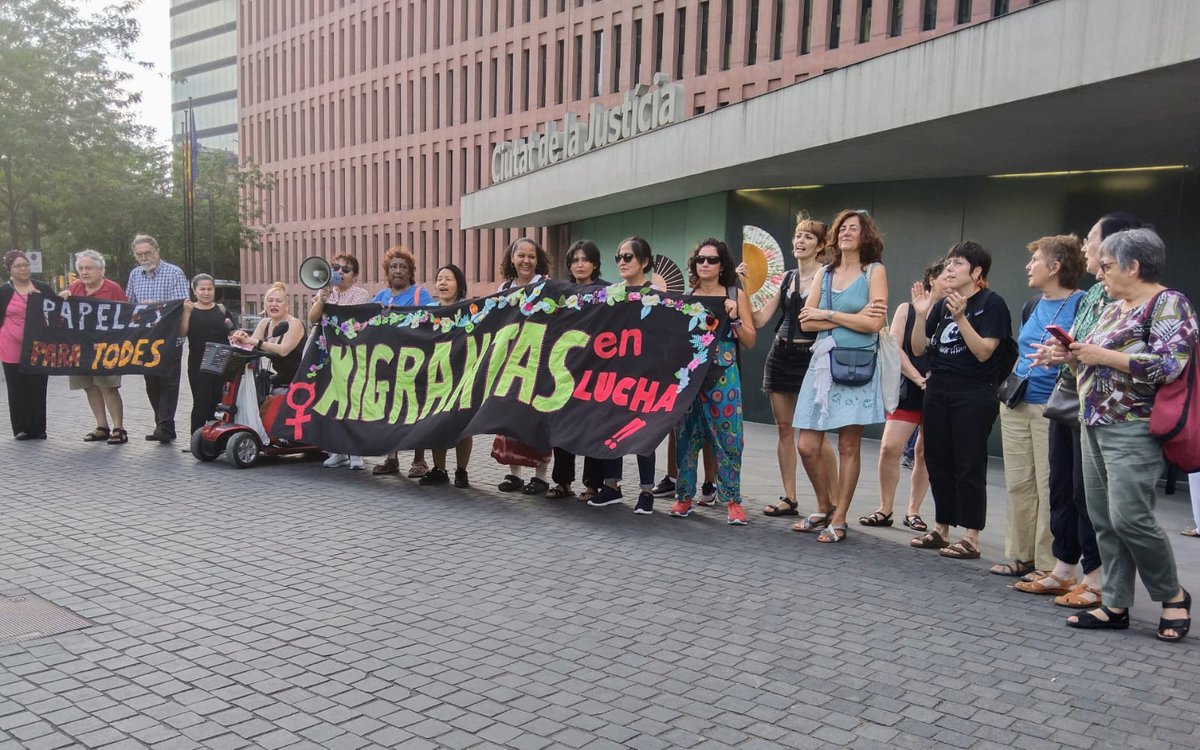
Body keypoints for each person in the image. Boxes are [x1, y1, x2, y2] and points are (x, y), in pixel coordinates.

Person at [1041, 228, 1193, 641]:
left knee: (1131, 517)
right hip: (1092, 423)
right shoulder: (1114, 307)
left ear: (1134, 265)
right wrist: (1067, 356)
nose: (1100, 273)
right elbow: (1091, 361)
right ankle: (1115, 603)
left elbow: (1170, 364)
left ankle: (1173, 595)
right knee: (1104, 519)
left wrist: (1100, 355)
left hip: (1134, 427)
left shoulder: (1168, 303)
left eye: (1106, 266)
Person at [1026, 212, 1147, 608]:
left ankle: (1097, 579)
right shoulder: (1095, 295)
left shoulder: (1134, 299)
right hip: (1069, 398)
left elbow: (1123, 355)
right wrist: (1060, 353)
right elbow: (1082, 346)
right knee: (1060, 484)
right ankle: (1064, 570)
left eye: (1091, 239)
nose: (1084, 247)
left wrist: (1079, 353)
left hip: (1103, 409)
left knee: (1087, 494)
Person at [790, 210, 889, 543]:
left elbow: (874, 324)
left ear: (866, 236)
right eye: (843, 228)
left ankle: (841, 518)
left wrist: (827, 314)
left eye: (855, 228)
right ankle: (825, 505)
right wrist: (851, 317)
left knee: (849, 445)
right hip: (822, 368)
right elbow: (806, 322)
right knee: (806, 445)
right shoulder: (825, 273)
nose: (847, 233)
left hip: (858, 365)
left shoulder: (874, 271)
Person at [992, 235, 1085, 584]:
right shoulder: (1033, 304)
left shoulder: (1082, 302)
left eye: (1036, 260)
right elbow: (1023, 348)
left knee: (1052, 486)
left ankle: (1051, 563)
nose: (1028, 266)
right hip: (1018, 401)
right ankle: (1019, 555)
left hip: (1053, 405)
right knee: (1019, 482)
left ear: (1056, 266)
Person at [909, 241, 1011, 561]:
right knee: (938, 460)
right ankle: (941, 529)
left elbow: (984, 352)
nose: (949, 269)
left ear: (977, 272)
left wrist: (962, 318)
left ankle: (971, 536)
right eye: (948, 263)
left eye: (957, 264)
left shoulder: (991, 304)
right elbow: (917, 348)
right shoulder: (941, 304)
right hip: (938, 389)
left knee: (968, 462)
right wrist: (921, 313)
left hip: (974, 392)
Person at [737, 215, 837, 519]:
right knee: (783, 429)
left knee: (818, 435)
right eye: (797, 235)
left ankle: (834, 501)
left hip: (813, 359)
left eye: (808, 237)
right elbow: (761, 320)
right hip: (781, 354)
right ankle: (790, 497)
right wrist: (745, 287)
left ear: (821, 246)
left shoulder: (829, 276)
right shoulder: (787, 278)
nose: (800, 241)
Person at [669, 239, 756, 524]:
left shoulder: (735, 295)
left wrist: (734, 319)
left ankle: (732, 500)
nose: (705, 264)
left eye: (712, 260)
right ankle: (684, 497)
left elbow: (751, 341)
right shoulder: (687, 297)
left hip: (724, 375)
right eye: (700, 260)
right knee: (686, 437)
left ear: (722, 266)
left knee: (730, 438)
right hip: (692, 375)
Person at [862, 260, 946, 532]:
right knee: (890, 446)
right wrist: (918, 379)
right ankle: (885, 508)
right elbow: (894, 348)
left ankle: (914, 511)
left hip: (939, 390)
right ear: (931, 279)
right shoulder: (907, 310)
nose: (950, 280)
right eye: (945, 275)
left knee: (924, 450)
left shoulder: (954, 313)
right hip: (910, 387)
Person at [589, 237, 661, 514]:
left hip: (646, 375)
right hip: (615, 374)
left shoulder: (655, 293)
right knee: (611, 428)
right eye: (618, 256)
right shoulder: (611, 293)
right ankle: (612, 487)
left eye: (628, 257)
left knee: (645, 431)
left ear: (644, 262)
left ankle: (646, 491)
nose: (621, 261)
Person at [549, 240, 607, 500]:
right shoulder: (562, 292)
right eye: (574, 260)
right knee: (563, 426)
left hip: (597, 371)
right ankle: (562, 482)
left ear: (595, 264)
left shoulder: (609, 293)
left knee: (593, 428)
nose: (579, 265)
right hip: (566, 369)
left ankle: (593, 484)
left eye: (585, 260)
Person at [494, 237, 553, 494]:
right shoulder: (503, 287)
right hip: (510, 362)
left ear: (537, 260)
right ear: (512, 258)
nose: (526, 261)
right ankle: (514, 474)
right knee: (509, 418)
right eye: (521, 255)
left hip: (539, 361)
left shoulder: (547, 286)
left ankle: (541, 476)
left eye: (531, 256)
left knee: (538, 419)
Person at [303, 254, 372, 471]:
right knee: (330, 399)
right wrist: (323, 297)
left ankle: (356, 451)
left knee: (351, 401)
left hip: (350, 354)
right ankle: (337, 450)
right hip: (326, 352)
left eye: (346, 269)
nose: (340, 272)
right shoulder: (324, 292)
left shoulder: (361, 295)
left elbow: (356, 322)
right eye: (336, 268)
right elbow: (313, 319)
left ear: (355, 275)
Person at [370, 246, 434, 476]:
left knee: (415, 411)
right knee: (390, 410)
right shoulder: (380, 297)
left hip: (414, 363)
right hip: (387, 365)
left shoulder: (420, 295)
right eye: (393, 266)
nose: (398, 270)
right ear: (387, 271)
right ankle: (391, 458)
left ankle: (419, 461)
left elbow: (433, 320)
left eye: (403, 267)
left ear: (410, 272)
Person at [124, 234, 189, 443]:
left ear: (157, 251)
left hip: (170, 338)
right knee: (152, 383)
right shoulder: (135, 275)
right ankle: (163, 425)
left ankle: (164, 425)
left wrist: (157, 305)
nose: (144, 258)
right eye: (139, 254)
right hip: (146, 339)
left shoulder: (174, 273)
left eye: (147, 253)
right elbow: (129, 304)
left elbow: (180, 303)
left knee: (169, 382)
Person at [63, 249, 129, 445]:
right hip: (81, 347)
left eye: (89, 268)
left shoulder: (113, 289)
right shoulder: (74, 289)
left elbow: (126, 315)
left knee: (108, 386)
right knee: (89, 386)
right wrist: (61, 299)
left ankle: (119, 428)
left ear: (101, 270)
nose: (84, 272)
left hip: (107, 346)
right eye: (81, 268)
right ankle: (102, 426)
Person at [418, 264, 473, 489]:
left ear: (459, 285)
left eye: (448, 279)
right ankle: (439, 469)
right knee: (436, 422)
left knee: (463, 423)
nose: (442, 283)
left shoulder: (471, 310)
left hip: (463, 373)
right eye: (439, 278)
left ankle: (462, 471)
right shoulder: (427, 311)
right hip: (436, 375)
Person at [1, 250, 55, 440]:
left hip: (38, 345)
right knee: (17, 386)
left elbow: (56, 309)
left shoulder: (42, 287)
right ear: (10, 269)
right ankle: (21, 428)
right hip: (11, 345)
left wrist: (61, 295)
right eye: (18, 266)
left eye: (25, 265)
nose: (23, 269)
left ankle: (38, 427)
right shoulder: (5, 291)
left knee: (38, 385)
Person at [180, 274, 237, 438]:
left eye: (209, 289)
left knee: (218, 401)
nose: (206, 292)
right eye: (202, 289)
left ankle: (216, 437)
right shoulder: (190, 310)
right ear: (195, 291)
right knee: (201, 402)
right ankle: (196, 438)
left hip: (221, 360)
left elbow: (233, 331)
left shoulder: (221, 309)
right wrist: (186, 313)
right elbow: (182, 333)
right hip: (198, 363)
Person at [230, 282, 305, 391]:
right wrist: (240, 339)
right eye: (270, 301)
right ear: (265, 305)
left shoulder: (294, 323)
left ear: (287, 306)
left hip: (299, 380)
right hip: (279, 379)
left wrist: (255, 341)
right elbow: (250, 347)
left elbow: (283, 350)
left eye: (279, 301)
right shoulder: (264, 323)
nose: (274, 304)